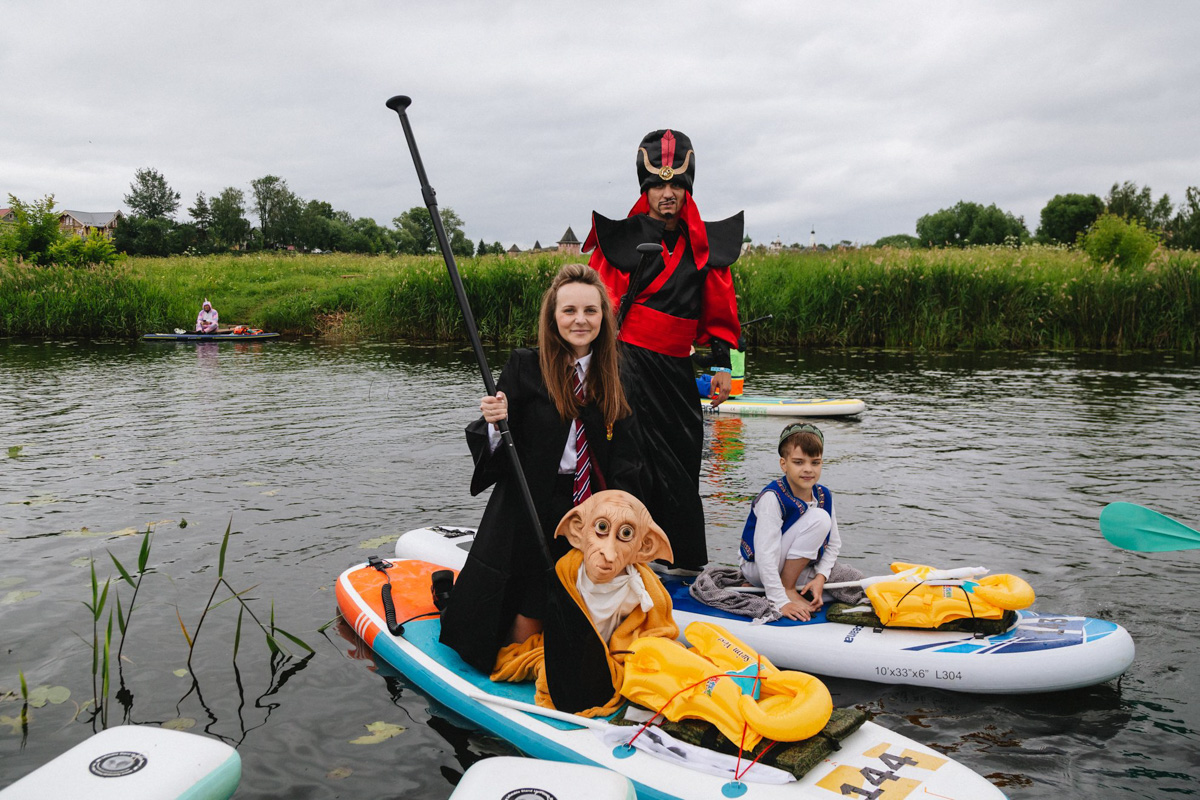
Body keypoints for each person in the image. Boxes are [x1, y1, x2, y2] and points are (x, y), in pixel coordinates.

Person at [439, 264, 645, 674]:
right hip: (529, 500)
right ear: (553, 316)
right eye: (569, 311)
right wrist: (497, 423)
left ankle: (579, 661)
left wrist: (627, 519)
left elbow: (629, 452)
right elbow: (496, 445)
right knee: (530, 599)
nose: (580, 320)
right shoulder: (525, 366)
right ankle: (523, 666)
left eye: (590, 310)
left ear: (604, 316)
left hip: (589, 506)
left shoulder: (618, 372)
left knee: (585, 591)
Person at [582, 128, 745, 570]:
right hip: (626, 366)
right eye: (658, 185)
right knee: (628, 464)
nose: (667, 193)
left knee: (681, 469)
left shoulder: (704, 248)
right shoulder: (620, 244)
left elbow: (718, 312)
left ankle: (683, 566)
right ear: (645, 189)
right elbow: (595, 309)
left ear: (687, 188)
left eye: (676, 185)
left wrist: (723, 367)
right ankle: (617, 560)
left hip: (676, 371)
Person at [738, 423, 865, 621]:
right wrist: (779, 600)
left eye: (815, 463)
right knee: (819, 518)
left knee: (843, 590)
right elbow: (765, 553)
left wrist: (820, 577)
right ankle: (786, 588)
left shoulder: (823, 494)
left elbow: (833, 544)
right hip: (757, 565)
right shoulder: (772, 497)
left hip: (792, 564)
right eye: (798, 462)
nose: (808, 469)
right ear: (784, 464)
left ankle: (777, 586)